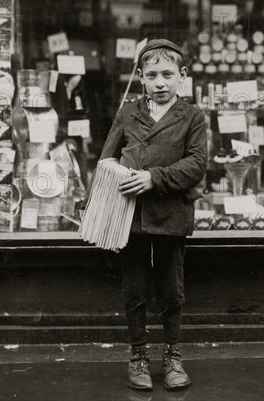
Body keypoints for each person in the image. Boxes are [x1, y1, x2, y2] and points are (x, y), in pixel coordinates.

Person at [97, 39, 207, 391]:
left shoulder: (192, 116)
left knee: (171, 291)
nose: (161, 82)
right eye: (153, 75)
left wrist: (153, 178)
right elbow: (106, 158)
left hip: (171, 214)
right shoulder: (128, 113)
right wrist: (96, 204)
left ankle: (173, 356)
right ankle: (138, 355)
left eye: (168, 75)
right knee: (135, 290)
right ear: (141, 77)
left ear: (182, 76)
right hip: (130, 216)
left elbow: (197, 164)